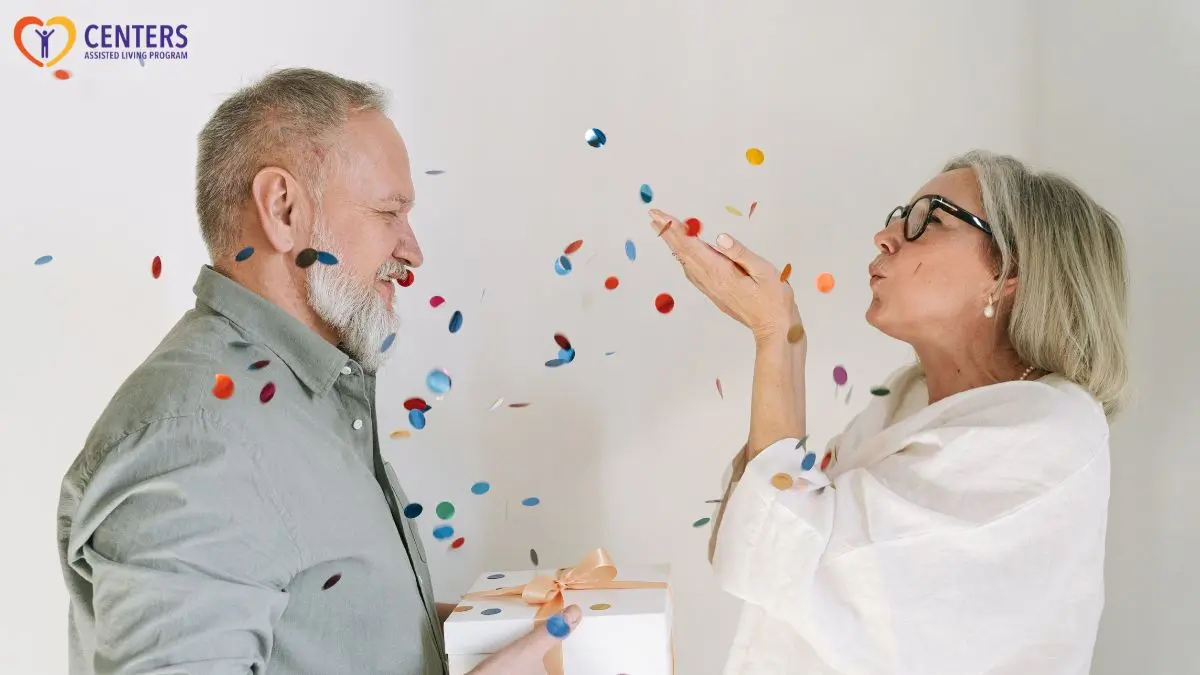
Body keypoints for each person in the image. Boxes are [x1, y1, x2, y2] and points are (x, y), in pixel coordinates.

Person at [56, 67, 581, 675]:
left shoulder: (310, 401)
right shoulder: (196, 440)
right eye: (389, 212)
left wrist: (455, 641)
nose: (412, 251)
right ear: (283, 209)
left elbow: (316, 634)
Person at [651, 150, 1129, 674]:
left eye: (930, 219)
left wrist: (775, 333)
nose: (888, 236)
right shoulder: (904, 405)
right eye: (899, 215)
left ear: (1010, 271)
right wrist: (786, 339)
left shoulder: (1045, 432)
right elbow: (751, 538)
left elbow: (778, 553)